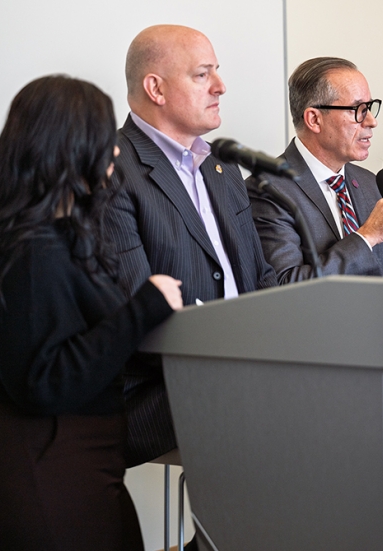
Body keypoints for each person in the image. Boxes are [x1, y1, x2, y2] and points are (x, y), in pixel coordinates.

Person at [0, 75, 182, 550]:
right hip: (46, 469)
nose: (114, 154)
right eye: (103, 139)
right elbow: (44, 380)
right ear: (68, 147)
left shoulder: (57, 240)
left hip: (77, 464)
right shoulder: (32, 252)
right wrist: (144, 309)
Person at [106, 25, 277, 468]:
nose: (221, 86)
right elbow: (137, 314)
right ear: (155, 88)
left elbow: (260, 277)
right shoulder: (113, 172)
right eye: (203, 75)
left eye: (216, 72)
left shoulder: (221, 165)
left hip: (246, 371)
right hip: (160, 390)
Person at [247, 57, 383, 281]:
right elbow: (286, 285)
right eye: (358, 109)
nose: (371, 121)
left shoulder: (370, 183)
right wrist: (366, 237)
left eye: (370, 108)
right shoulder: (267, 189)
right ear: (314, 119)